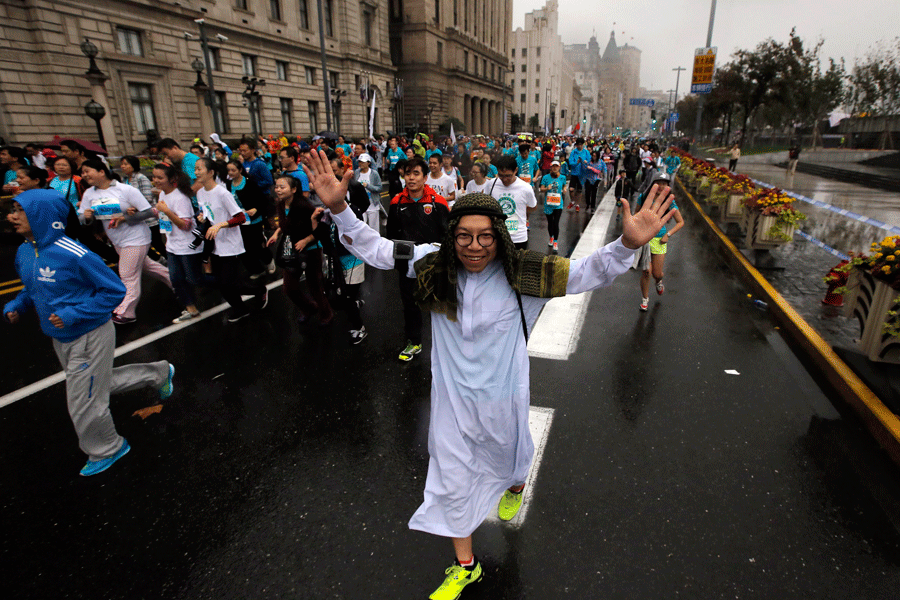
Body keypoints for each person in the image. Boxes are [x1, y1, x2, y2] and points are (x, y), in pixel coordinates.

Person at [302, 148, 674, 600]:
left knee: (511, 458)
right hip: (451, 404)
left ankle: (517, 480)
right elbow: (379, 249)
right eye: (463, 236)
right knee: (450, 479)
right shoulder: (433, 264)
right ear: (451, 237)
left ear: (499, 236)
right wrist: (339, 209)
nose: (474, 246)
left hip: (504, 399)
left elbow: (586, 272)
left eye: (484, 237)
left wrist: (627, 245)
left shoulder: (526, 274)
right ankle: (466, 566)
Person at [4, 189, 175, 476]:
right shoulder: (25, 251)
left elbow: (114, 291)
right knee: (96, 384)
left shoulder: (74, 253)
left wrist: (72, 314)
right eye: (13, 210)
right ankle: (158, 373)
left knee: (83, 399)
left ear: (41, 215)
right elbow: (32, 287)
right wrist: (17, 305)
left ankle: (108, 448)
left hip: (89, 334)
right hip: (60, 336)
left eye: (20, 210)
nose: (13, 216)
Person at [80, 159, 172, 324]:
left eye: (88, 171)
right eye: (83, 172)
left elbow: (149, 211)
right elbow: (83, 217)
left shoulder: (125, 190)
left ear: (101, 171)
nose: (84, 175)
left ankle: (126, 312)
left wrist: (124, 218)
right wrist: (86, 217)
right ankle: (178, 284)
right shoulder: (89, 194)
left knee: (127, 274)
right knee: (148, 266)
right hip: (117, 241)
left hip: (136, 238)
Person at [385, 155, 450, 361]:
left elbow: (447, 234)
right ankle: (414, 342)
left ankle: (446, 346)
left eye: (416, 173)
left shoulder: (437, 202)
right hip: (406, 265)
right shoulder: (396, 202)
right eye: (408, 174)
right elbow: (391, 235)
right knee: (410, 305)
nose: (411, 178)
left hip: (433, 265)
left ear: (425, 177)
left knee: (438, 305)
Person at [194, 157, 268, 322]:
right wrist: (202, 217)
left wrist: (221, 225)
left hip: (230, 245)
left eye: (199, 169)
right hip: (214, 244)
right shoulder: (200, 193)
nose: (196, 172)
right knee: (225, 283)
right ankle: (242, 307)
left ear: (211, 172)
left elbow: (240, 217)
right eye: (195, 169)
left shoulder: (222, 193)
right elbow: (207, 213)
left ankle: (257, 292)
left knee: (228, 283)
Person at [266, 175, 333, 325]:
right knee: (289, 288)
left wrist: (306, 240)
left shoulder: (304, 207)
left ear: (294, 189)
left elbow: (321, 228)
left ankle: (326, 313)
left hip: (311, 250)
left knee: (314, 285)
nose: (278, 190)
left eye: (282, 187)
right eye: (276, 187)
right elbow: (286, 225)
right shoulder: (281, 205)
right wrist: (277, 233)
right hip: (292, 250)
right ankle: (309, 308)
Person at [151, 163, 205, 323]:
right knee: (176, 279)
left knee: (195, 279)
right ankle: (191, 309)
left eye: (160, 177)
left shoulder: (180, 197)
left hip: (188, 246)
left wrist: (166, 211)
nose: (156, 180)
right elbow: (164, 218)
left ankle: (229, 284)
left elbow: (185, 225)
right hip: (172, 245)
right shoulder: (162, 194)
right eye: (154, 177)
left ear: (172, 179)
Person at [631, 173, 684, 312]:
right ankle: (645, 299)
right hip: (645, 239)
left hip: (660, 240)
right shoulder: (644, 197)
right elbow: (635, 215)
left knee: (657, 273)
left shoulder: (669, 201)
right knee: (646, 271)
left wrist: (668, 234)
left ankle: (659, 281)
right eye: (658, 182)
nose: (661, 186)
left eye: (664, 183)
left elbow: (680, 222)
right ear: (653, 183)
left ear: (668, 186)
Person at [225, 159, 270, 279]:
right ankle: (257, 269)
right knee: (244, 247)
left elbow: (263, 200)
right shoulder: (228, 184)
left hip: (254, 220)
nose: (230, 173)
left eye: (233, 170)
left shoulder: (250, 183)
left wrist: (256, 209)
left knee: (256, 245)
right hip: (239, 221)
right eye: (228, 170)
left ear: (240, 170)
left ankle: (268, 259)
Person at [490, 155, 537, 250]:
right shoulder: (491, 184)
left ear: (516, 170)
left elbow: (533, 207)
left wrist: (519, 211)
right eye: (501, 175)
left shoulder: (526, 188)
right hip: (496, 236)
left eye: (508, 175)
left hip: (518, 238)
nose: (504, 179)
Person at [539, 160, 566, 252]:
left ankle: (555, 242)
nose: (555, 168)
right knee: (550, 223)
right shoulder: (546, 177)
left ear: (559, 167)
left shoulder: (562, 177)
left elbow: (564, 185)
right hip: (548, 204)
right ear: (550, 167)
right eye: (553, 166)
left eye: (556, 166)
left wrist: (564, 189)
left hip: (558, 204)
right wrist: (547, 188)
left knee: (556, 223)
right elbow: (541, 188)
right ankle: (551, 237)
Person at [353, 153, 384, 232]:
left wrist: (368, 186)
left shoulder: (374, 173)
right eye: (359, 162)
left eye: (363, 162)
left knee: (374, 227)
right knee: (361, 226)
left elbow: (379, 188)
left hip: (372, 204)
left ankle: (376, 240)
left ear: (368, 163)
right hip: (361, 204)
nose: (361, 164)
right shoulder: (356, 172)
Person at [566, 137, 590, 211]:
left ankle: (577, 204)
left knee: (579, 190)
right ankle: (572, 201)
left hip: (582, 173)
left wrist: (586, 162)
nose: (579, 146)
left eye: (580, 144)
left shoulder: (586, 152)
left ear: (583, 144)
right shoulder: (573, 152)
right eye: (578, 144)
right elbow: (570, 162)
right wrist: (576, 162)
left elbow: (589, 161)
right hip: (574, 173)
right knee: (571, 189)